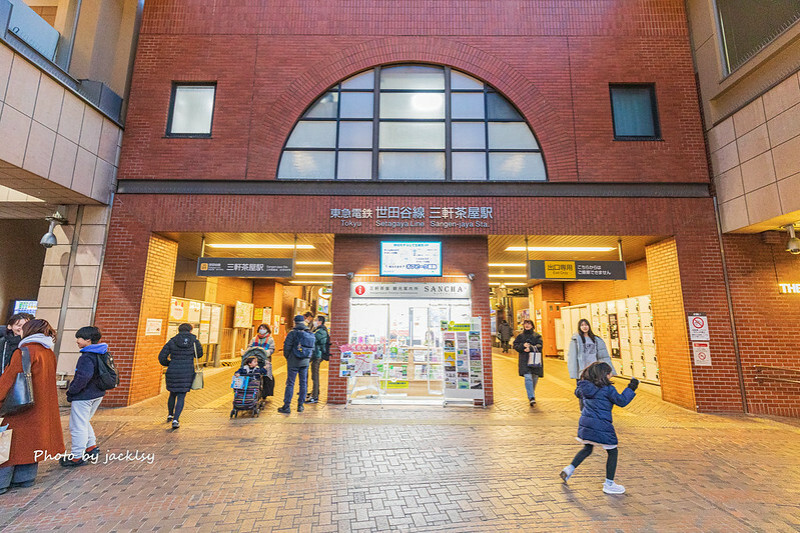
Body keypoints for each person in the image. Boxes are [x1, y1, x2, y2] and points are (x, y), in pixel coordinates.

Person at [0, 319, 64, 494]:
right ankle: (25, 478)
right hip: (40, 405)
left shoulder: (23, 352)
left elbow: (9, 379)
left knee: (11, 442)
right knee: (31, 442)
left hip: (19, 406)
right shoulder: (48, 352)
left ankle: (2, 482)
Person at [560, 362, 639, 494]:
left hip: (586, 423)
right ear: (604, 375)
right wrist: (632, 386)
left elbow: (578, 393)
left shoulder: (585, 387)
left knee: (587, 448)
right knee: (612, 451)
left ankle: (569, 469)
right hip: (601, 424)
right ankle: (609, 484)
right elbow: (622, 401)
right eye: (609, 373)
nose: (611, 375)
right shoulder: (608, 389)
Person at [61, 327, 108, 467]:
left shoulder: (87, 356)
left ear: (88, 340)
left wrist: (72, 391)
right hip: (97, 393)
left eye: (79, 338)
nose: (77, 341)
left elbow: (83, 377)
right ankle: (91, 447)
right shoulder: (103, 353)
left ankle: (77, 456)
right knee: (84, 421)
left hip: (84, 395)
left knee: (77, 425)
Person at [158, 323, 203, 429]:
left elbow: (161, 357)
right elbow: (199, 354)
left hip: (173, 370)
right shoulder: (194, 341)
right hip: (187, 371)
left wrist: (169, 363)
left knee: (172, 393)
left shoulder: (172, 341)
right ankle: (176, 419)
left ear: (178, 330)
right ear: (191, 330)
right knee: (181, 395)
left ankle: (170, 414)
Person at [567, 319, 615, 409]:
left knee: (596, 390)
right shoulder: (576, 340)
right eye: (582, 325)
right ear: (579, 327)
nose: (584, 327)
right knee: (583, 392)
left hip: (595, 370)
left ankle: (594, 409)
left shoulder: (596, 339)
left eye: (586, 325)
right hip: (583, 371)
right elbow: (572, 357)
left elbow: (603, 356)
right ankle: (584, 410)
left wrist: (609, 371)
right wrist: (574, 372)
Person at [278, 315, 313, 414]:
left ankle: (287, 406)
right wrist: (307, 358)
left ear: (294, 322)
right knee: (303, 383)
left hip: (293, 361)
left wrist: (289, 357)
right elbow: (312, 348)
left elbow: (286, 347)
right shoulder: (309, 333)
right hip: (305, 361)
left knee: (290, 383)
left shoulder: (292, 333)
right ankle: (300, 405)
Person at [512, 319, 544, 406]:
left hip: (535, 360)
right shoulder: (520, 336)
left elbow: (540, 345)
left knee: (535, 378)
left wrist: (530, 348)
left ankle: (531, 393)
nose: (527, 325)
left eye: (529, 324)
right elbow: (515, 345)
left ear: (532, 325)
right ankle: (531, 397)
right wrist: (523, 346)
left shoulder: (537, 335)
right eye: (525, 324)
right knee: (528, 377)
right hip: (524, 361)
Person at [307, 315, 329, 404]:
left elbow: (311, 341)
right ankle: (315, 392)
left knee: (315, 376)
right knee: (314, 376)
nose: (314, 321)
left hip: (317, 356)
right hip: (317, 355)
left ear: (320, 322)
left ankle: (315, 396)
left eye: (316, 320)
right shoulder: (320, 330)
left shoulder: (320, 332)